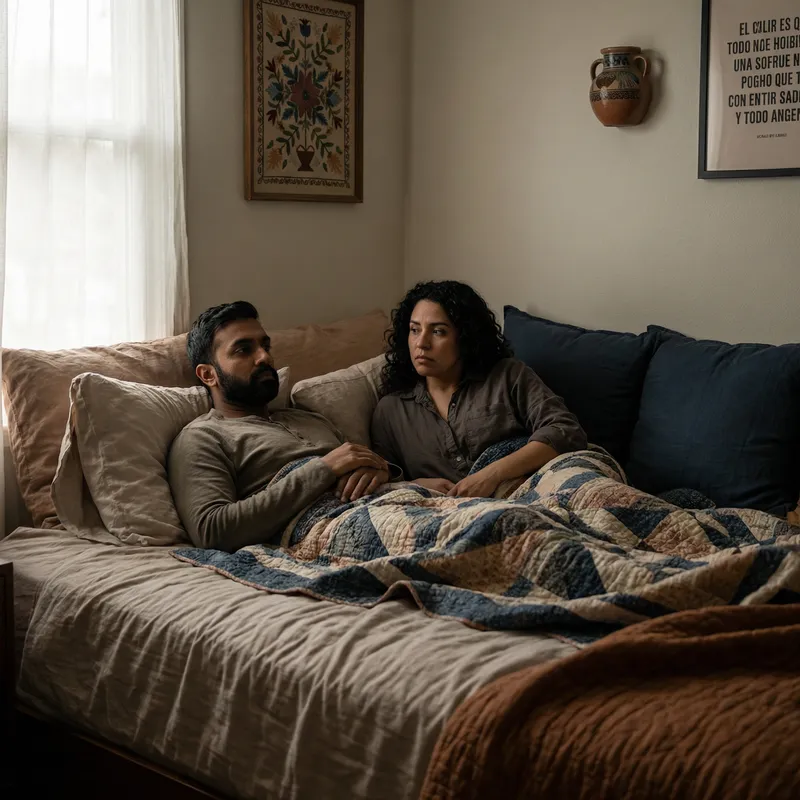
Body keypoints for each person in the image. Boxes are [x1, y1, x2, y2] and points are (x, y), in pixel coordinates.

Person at [169, 301, 391, 552]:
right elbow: (212, 531)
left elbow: (356, 470)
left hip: (383, 505)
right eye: (243, 350)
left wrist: (380, 473)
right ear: (209, 375)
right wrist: (323, 469)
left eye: (265, 346)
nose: (264, 357)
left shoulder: (308, 419)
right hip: (332, 532)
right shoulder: (202, 437)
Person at [370, 281, 587, 498]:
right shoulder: (390, 411)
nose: (421, 343)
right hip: (451, 514)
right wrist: (416, 484)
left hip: (534, 491)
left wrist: (492, 474)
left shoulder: (507, 376)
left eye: (438, 331)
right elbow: (382, 483)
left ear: (465, 338)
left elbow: (564, 430)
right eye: (414, 330)